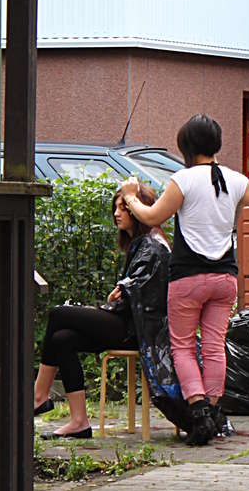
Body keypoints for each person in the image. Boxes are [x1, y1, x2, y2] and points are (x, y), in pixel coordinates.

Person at [120, 113, 249, 446]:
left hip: (187, 280)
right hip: (224, 279)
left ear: (185, 147)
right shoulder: (234, 180)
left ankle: (199, 410)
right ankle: (215, 407)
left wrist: (132, 195)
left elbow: (151, 217)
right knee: (214, 346)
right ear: (217, 145)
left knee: (182, 346)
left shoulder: (185, 180)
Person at [34, 184, 172, 439]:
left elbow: (149, 292)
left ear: (139, 210)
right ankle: (79, 422)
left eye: (124, 208)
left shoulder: (154, 244)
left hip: (137, 330)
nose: (117, 214)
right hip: (126, 322)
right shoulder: (140, 243)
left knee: (58, 314)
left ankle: (39, 396)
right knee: (62, 340)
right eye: (116, 208)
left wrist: (125, 290)